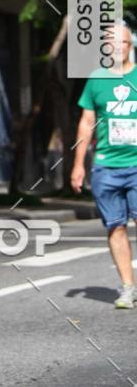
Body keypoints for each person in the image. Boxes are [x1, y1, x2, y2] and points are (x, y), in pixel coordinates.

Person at [71, 21, 137, 309]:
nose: (118, 48)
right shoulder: (96, 79)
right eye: (113, 43)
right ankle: (127, 288)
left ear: (129, 46)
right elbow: (86, 123)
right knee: (116, 227)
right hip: (105, 167)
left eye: (123, 42)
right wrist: (78, 165)